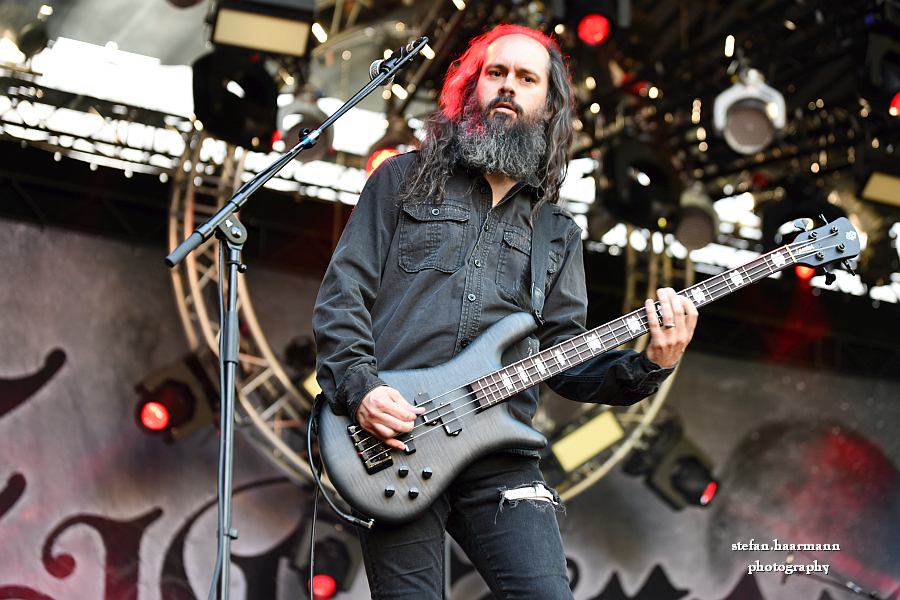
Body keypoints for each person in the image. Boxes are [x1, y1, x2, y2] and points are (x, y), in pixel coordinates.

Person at [313, 24, 698, 600]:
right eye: (496, 73)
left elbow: (565, 359)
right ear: (472, 88)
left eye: (526, 78)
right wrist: (361, 389)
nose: (508, 87)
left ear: (550, 106)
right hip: (395, 440)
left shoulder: (557, 233)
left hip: (500, 459)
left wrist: (651, 364)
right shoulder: (401, 179)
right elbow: (343, 294)